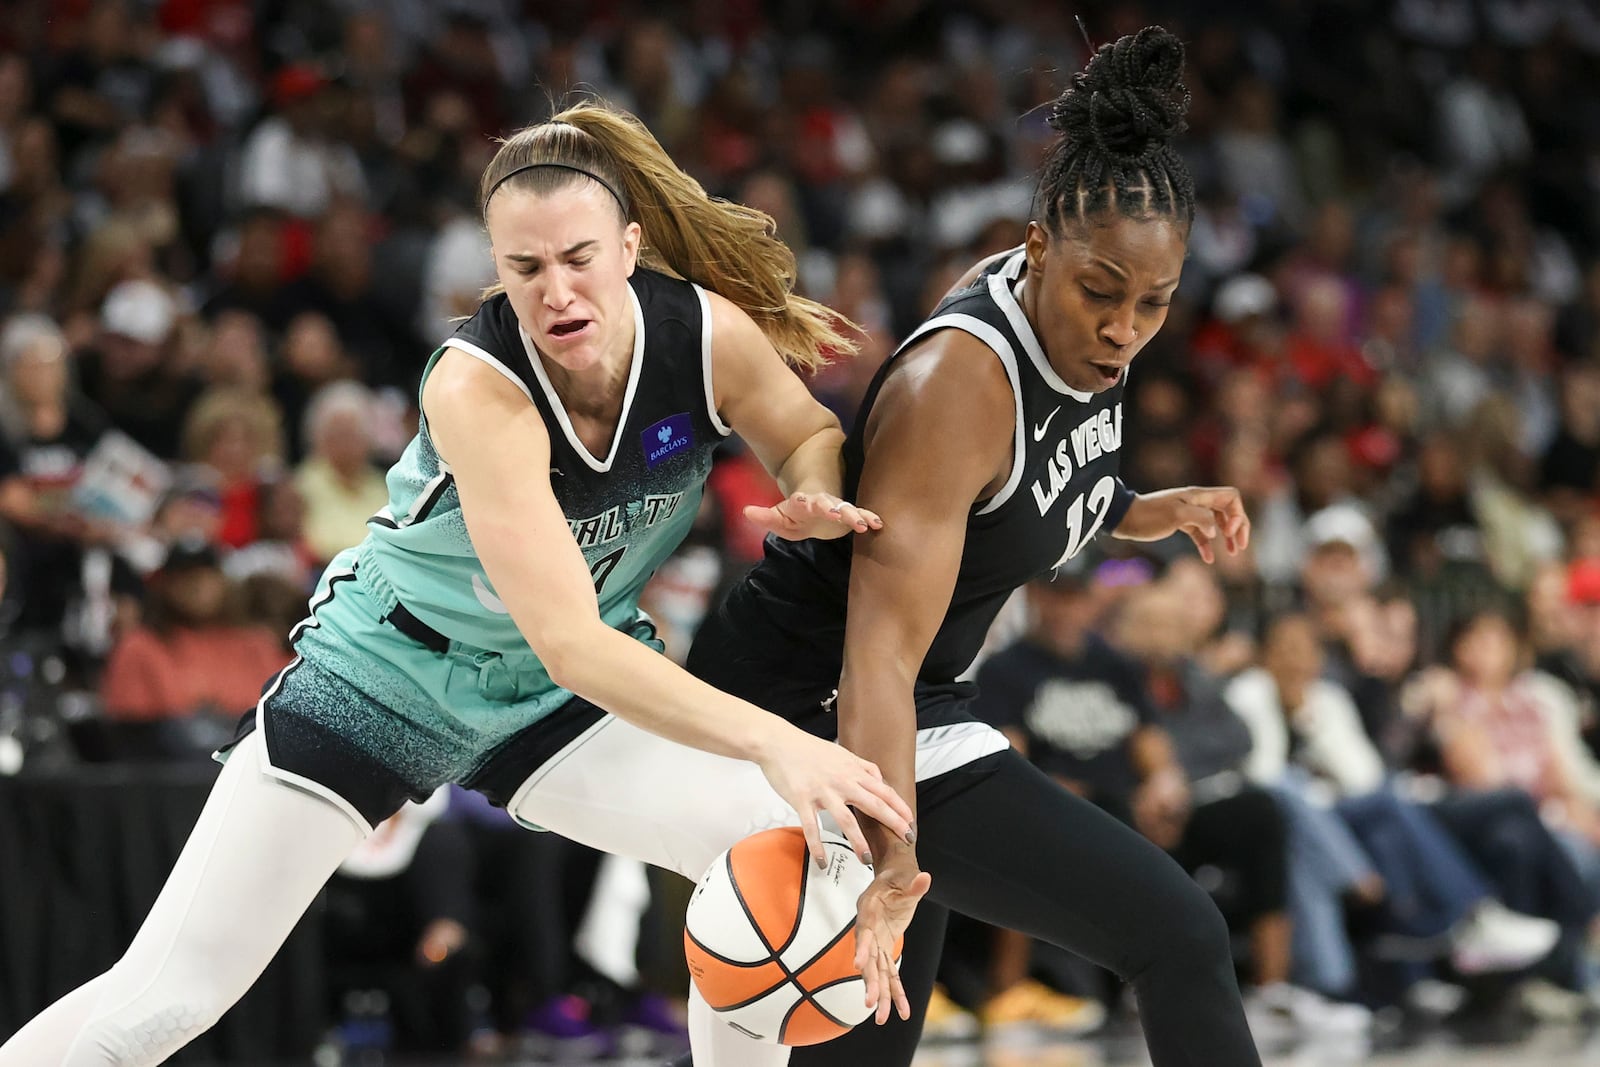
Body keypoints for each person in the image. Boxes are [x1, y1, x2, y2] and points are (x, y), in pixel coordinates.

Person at [0, 100, 916, 1067]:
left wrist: (811, 488)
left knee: (778, 843)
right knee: (167, 1000)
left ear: (631, 246)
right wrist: (775, 738)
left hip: (550, 701)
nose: (556, 289)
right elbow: (571, 638)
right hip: (385, 678)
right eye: (526, 269)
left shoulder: (701, 335)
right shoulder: (479, 388)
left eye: (579, 257)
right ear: (496, 268)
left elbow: (809, 428)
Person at [681, 27, 1263, 1067]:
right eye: (1104, 292)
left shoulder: (1082, 318)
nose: (1126, 325)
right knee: (1177, 933)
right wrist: (893, 857)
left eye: (1153, 302)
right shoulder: (956, 390)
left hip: (905, 702)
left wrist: (1145, 505)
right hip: (814, 706)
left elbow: (1033, 492)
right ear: (1036, 249)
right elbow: (878, 656)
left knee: (866, 1039)